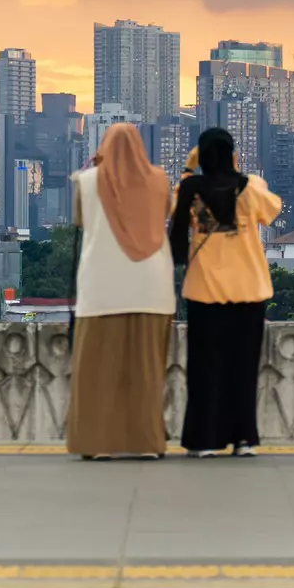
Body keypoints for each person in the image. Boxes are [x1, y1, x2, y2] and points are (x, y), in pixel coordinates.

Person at [64, 122, 176, 460]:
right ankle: (147, 443)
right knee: (147, 372)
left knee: (97, 370)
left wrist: (95, 170)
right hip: (153, 287)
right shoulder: (159, 179)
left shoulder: (86, 181)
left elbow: (80, 220)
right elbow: (163, 213)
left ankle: (96, 444)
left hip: (102, 287)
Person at [170, 127, 282, 458]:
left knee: (205, 368)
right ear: (232, 155)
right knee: (243, 368)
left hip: (205, 291)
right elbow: (272, 210)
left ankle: (204, 439)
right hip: (249, 290)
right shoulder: (250, 189)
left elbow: (172, 210)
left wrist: (188, 170)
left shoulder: (191, 191)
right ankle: (243, 438)